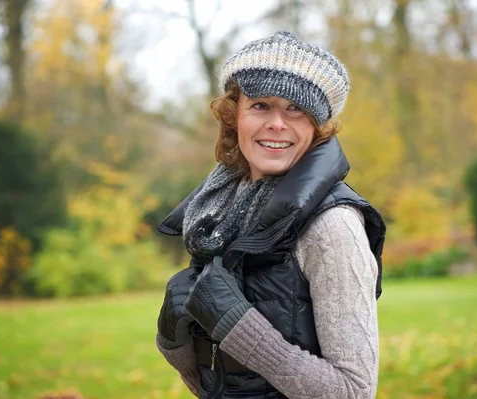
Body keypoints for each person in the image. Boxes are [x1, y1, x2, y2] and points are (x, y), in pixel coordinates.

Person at [155, 31, 386, 399]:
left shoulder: (332, 226)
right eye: (260, 105)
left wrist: (239, 328)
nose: (277, 123)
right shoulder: (217, 213)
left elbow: (353, 392)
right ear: (235, 116)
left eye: (296, 108)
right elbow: (218, 387)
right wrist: (172, 340)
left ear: (317, 126)